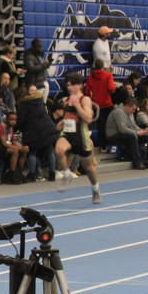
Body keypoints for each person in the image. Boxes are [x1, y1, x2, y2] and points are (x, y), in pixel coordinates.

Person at [54, 74, 102, 203]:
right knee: (59, 150)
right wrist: (63, 121)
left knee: (88, 167)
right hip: (68, 134)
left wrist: (77, 105)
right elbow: (69, 116)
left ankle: (95, 189)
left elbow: (88, 118)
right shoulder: (66, 100)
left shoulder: (84, 100)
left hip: (81, 137)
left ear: (80, 85)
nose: (70, 87)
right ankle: (67, 173)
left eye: (73, 84)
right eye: (68, 85)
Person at [16, 85, 61, 181]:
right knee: (50, 151)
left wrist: (16, 128)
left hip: (33, 131)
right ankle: (52, 174)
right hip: (48, 128)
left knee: (33, 152)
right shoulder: (40, 102)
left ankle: (32, 174)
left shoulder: (25, 104)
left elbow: (21, 120)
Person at [106, 99, 148, 170]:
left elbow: (133, 125)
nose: (134, 111)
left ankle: (147, 158)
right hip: (113, 135)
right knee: (132, 137)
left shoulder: (130, 113)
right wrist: (136, 132)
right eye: (133, 109)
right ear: (127, 106)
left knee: (146, 137)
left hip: (125, 134)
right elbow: (122, 129)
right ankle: (137, 162)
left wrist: (142, 131)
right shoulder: (118, 112)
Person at [85, 58, 116, 137]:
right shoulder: (108, 75)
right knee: (109, 125)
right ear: (103, 66)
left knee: (100, 126)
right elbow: (111, 88)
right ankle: (109, 141)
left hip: (96, 105)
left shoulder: (90, 77)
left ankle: (102, 143)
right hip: (107, 103)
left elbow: (87, 92)